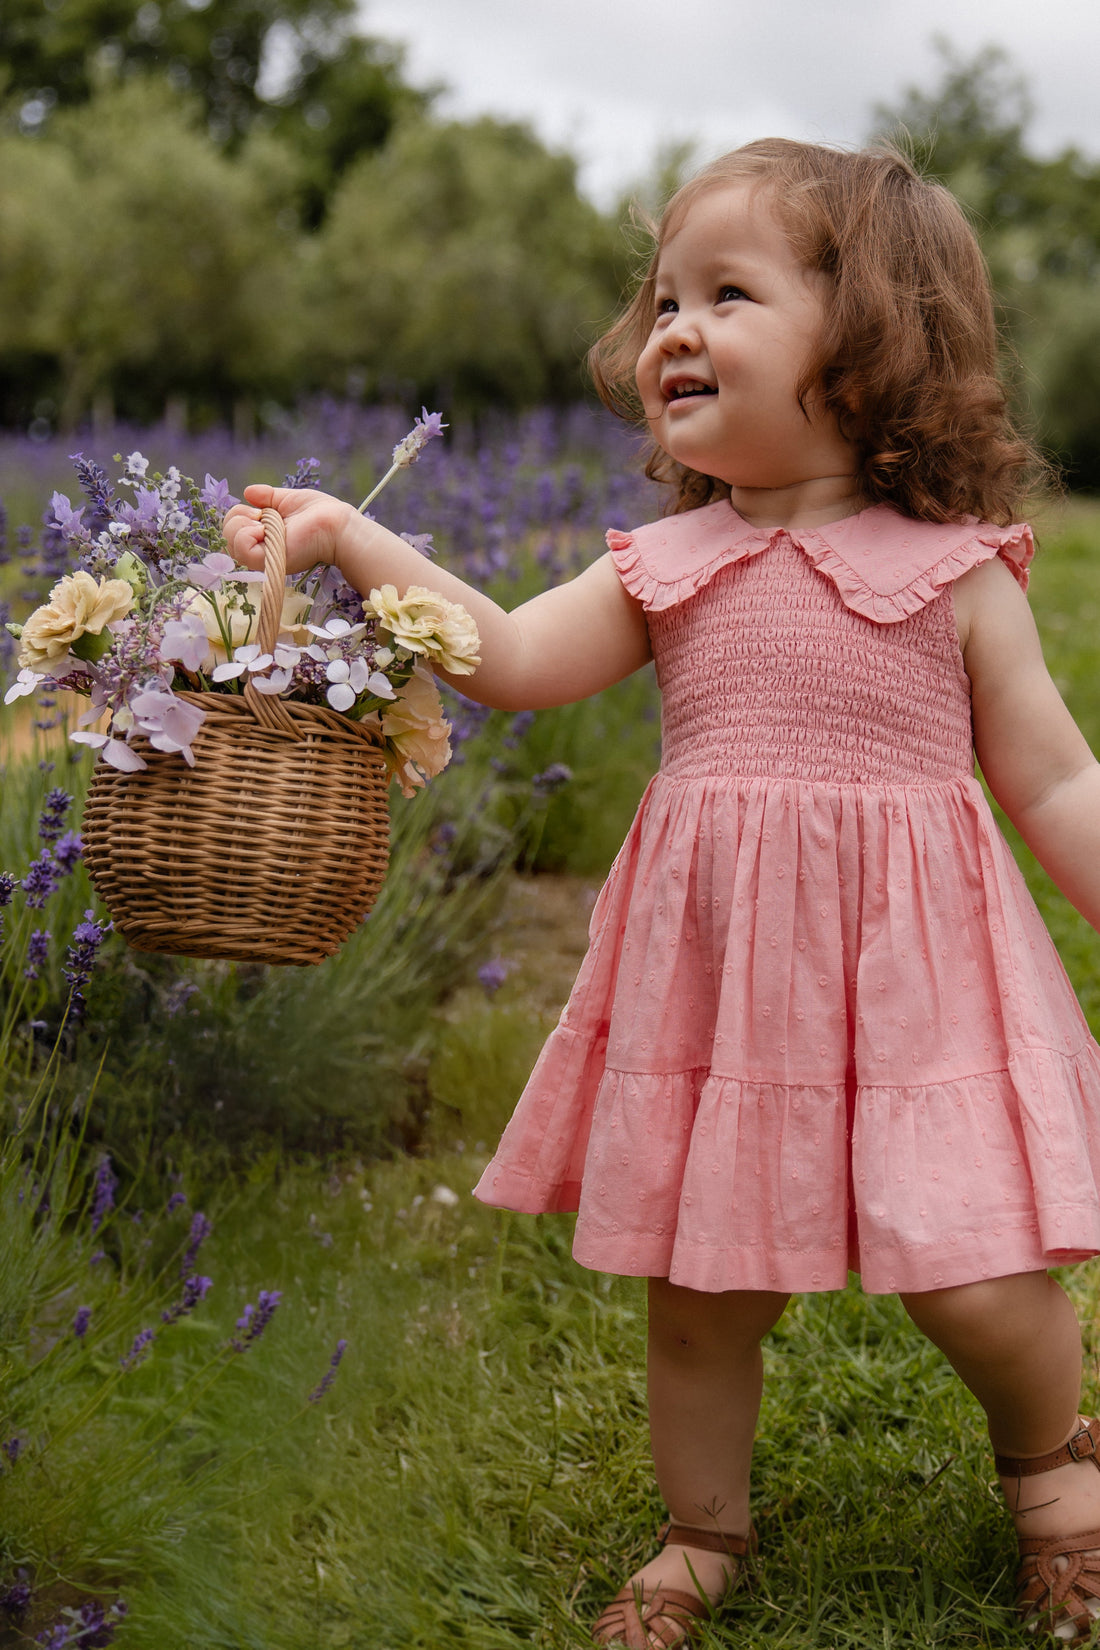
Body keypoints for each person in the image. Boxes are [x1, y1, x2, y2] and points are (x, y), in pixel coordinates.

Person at [224, 138, 1100, 1649]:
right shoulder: (666, 565)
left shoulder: (958, 572)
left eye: (728, 294)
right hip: (723, 988)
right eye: (663, 301)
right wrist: (346, 534)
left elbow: (1058, 779)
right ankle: (705, 1525)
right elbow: (507, 658)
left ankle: (1055, 1477)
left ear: (873, 341)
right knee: (701, 1281)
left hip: (918, 984)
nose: (671, 331)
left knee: (978, 1273)